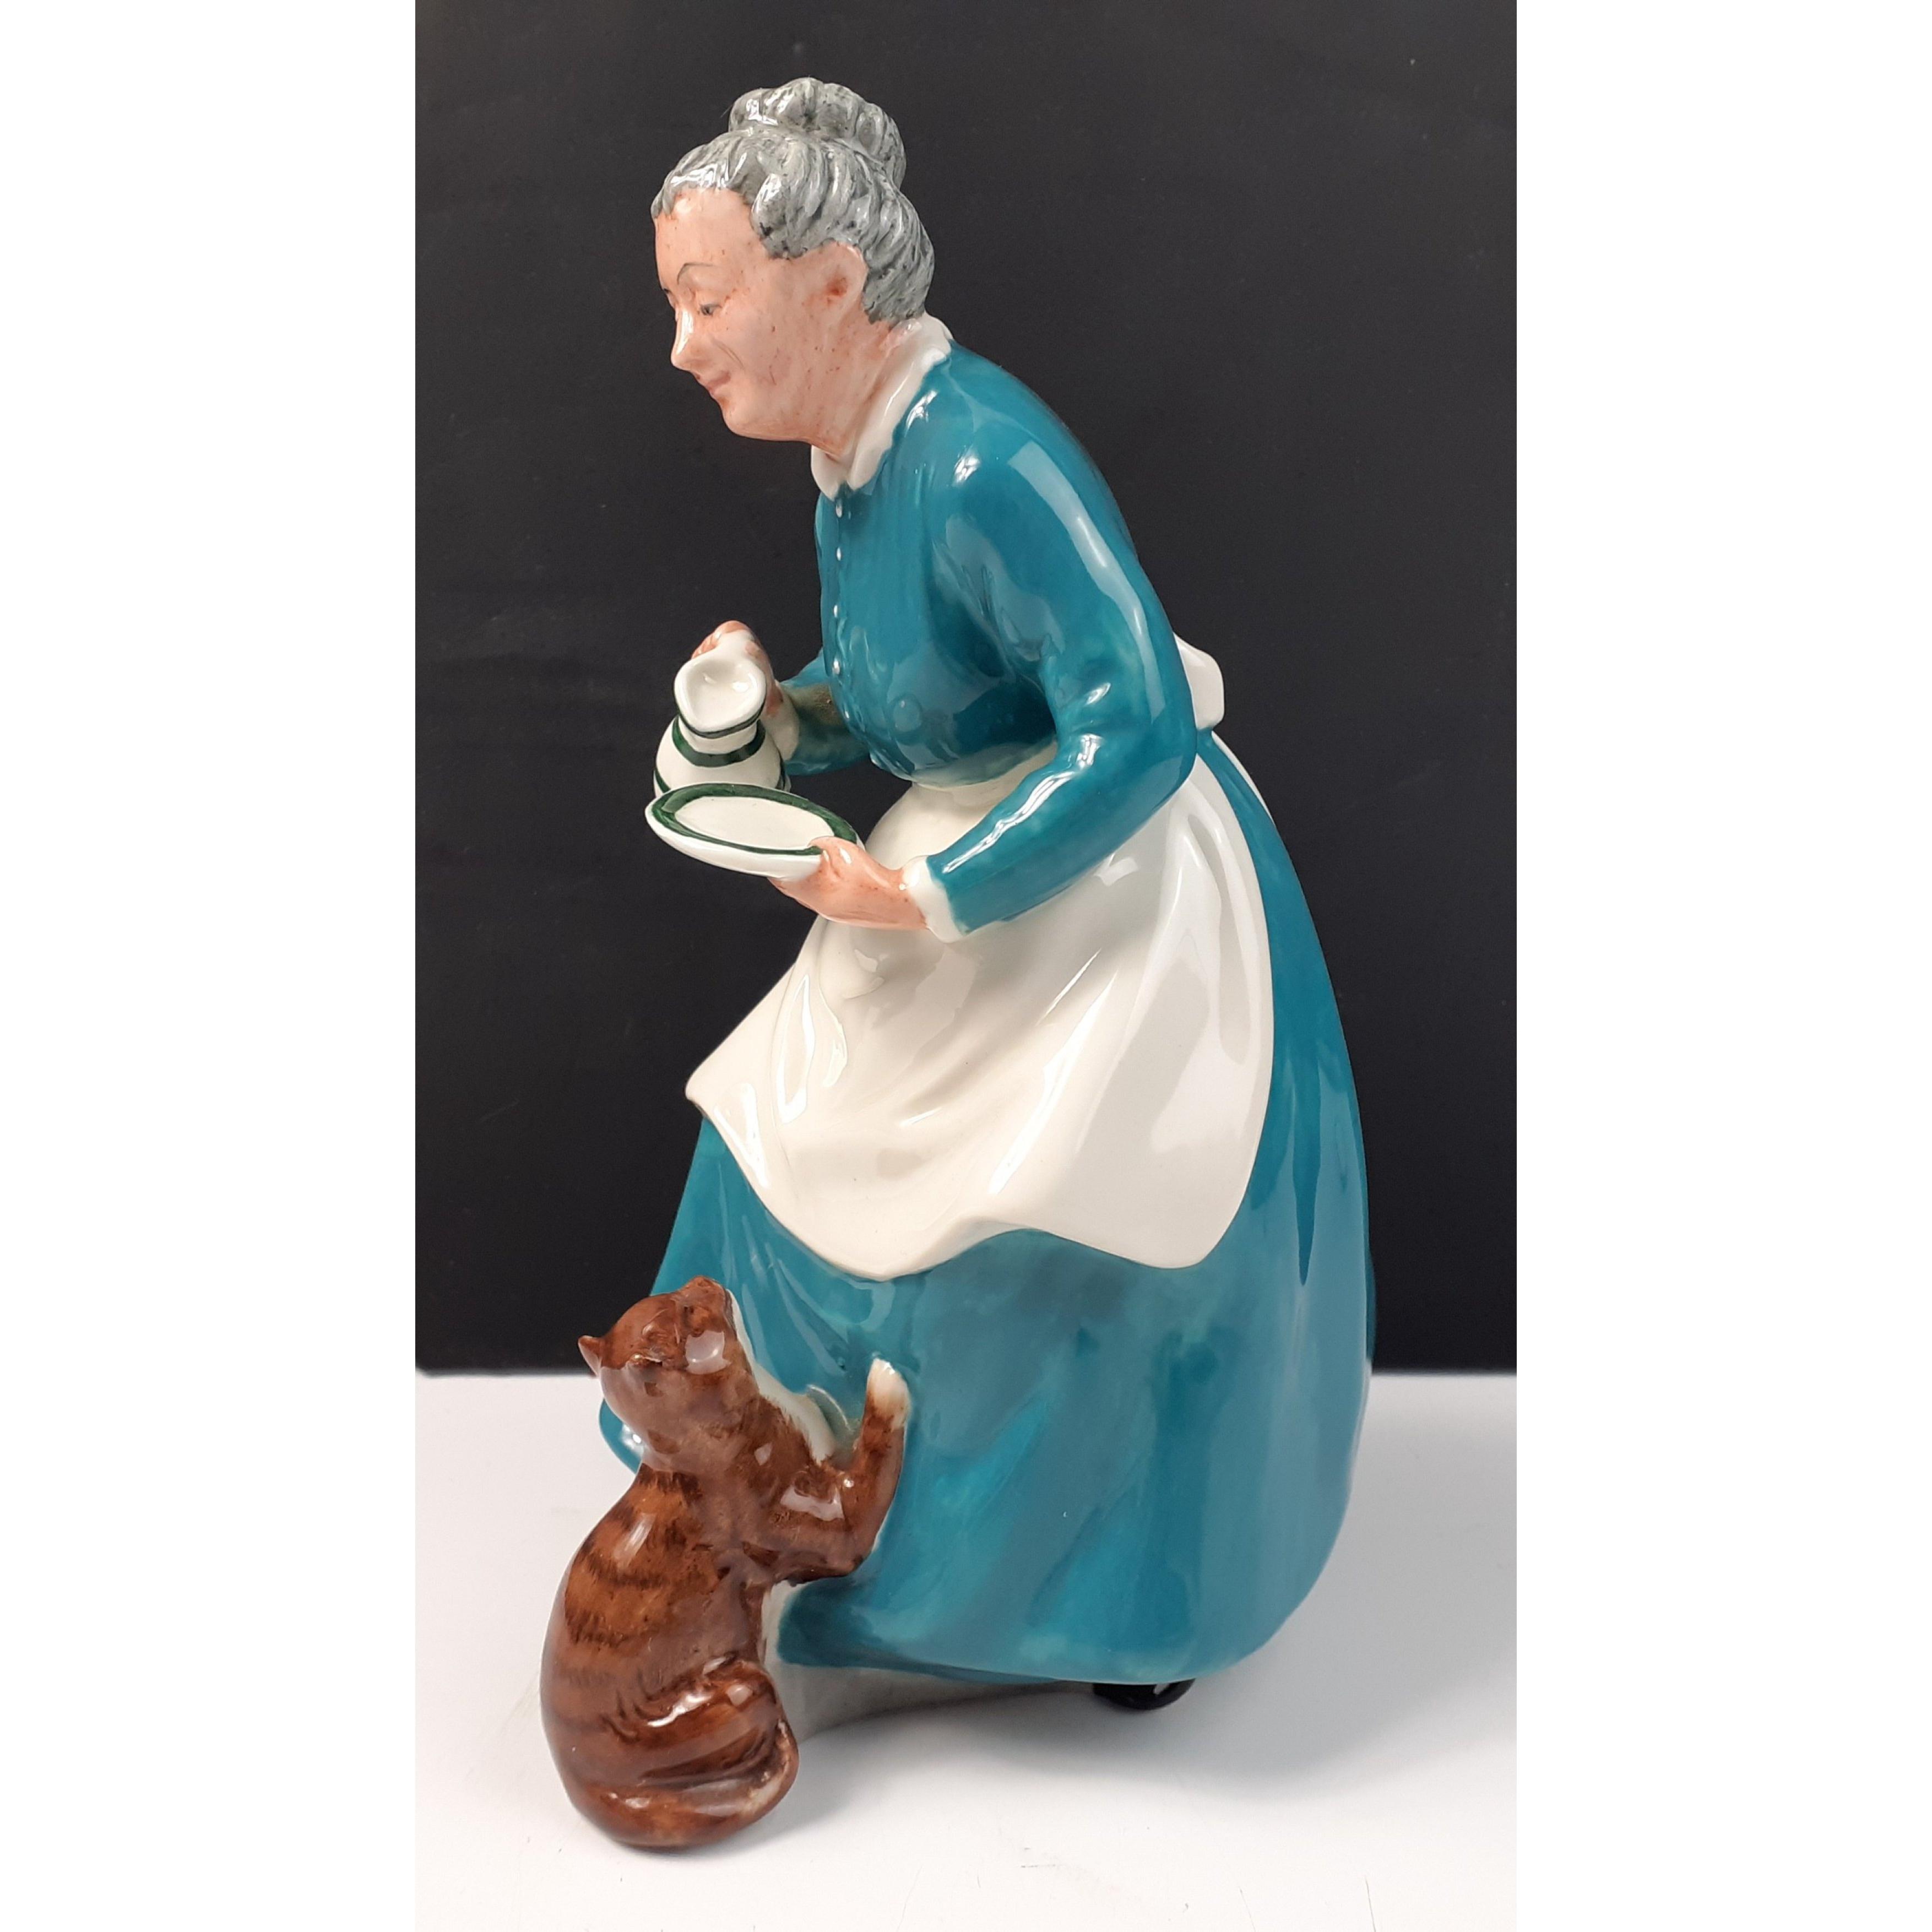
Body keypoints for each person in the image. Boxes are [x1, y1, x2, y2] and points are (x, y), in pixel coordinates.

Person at [617, 77, 1372, 1692]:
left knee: (1048, 1202)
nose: (682, 347)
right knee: (785, 1122)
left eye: (707, 301)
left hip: (1091, 876)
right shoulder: (854, 457)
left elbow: (1136, 719)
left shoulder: (983, 459)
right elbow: (926, 688)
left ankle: (1079, 1594)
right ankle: (774, 1518)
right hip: (940, 869)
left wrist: (935, 896)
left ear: (831, 287)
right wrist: (780, 715)